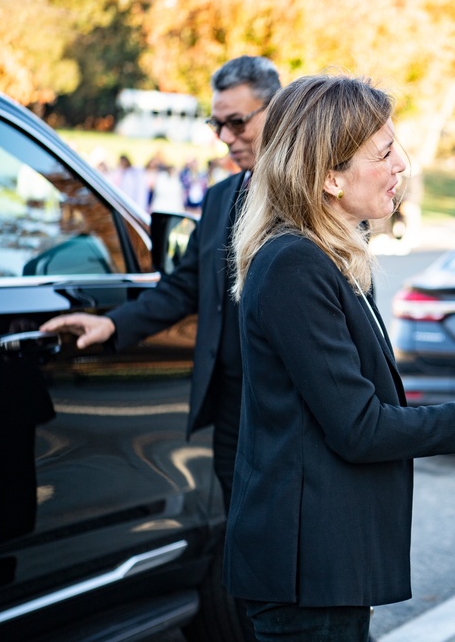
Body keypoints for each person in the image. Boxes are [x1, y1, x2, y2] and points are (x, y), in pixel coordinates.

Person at [223, 73, 455, 641]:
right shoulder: (295, 264)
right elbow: (358, 427)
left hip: (328, 567)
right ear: (329, 176)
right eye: (384, 153)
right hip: (306, 573)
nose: (402, 166)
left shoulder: (328, 257)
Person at [40, 55, 282, 512]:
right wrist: (112, 325)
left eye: (237, 123)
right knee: (241, 538)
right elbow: (185, 285)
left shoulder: (313, 197)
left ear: (278, 110)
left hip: (290, 407)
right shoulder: (219, 198)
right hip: (231, 408)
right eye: (217, 124)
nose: (226, 138)